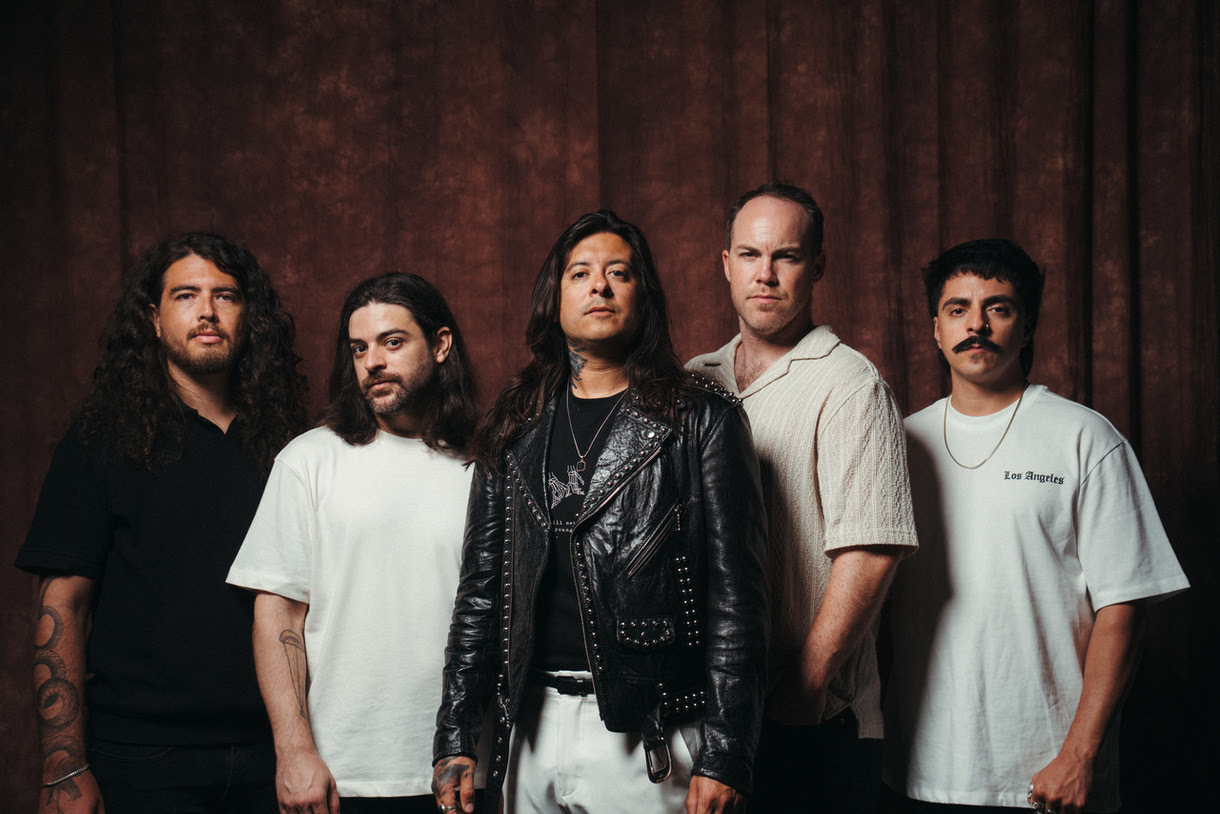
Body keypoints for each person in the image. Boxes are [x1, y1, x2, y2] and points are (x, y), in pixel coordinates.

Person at [432, 210, 768, 814]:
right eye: (580, 273)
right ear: (553, 298)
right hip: (528, 726)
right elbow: (480, 592)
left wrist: (726, 753)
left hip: (648, 731)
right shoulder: (512, 427)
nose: (599, 286)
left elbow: (737, 601)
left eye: (619, 273)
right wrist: (456, 733)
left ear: (644, 297)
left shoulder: (700, 421)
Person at [883, 238, 1190, 813]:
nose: (977, 324)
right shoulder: (898, 444)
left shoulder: (1085, 438)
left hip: (1049, 778)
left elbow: (1124, 608)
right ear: (935, 329)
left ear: (1026, 327)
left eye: (998, 308)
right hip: (919, 773)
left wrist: (1080, 756)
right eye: (958, 309)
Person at [17, 232, 307, 813]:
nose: (206, 311)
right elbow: (63, 604)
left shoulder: (290, 445)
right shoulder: (100, 439)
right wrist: (63, 765)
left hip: (274, 751)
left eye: (225, 295)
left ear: (248, 316)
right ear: (153, 318)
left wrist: (298, 745)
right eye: (185, 295)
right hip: (142, 755)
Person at [687, 181, 919, 811]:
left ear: (817, 266)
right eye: (750, 255)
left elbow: (871, 550)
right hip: (713, 716)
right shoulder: (692, 381)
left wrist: (808, 685)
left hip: (816, 719)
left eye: (786, 256)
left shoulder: (849, 383)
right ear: (726, 264)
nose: (765, 274)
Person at [227, 272, 483, 813]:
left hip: (463, 769)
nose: (372, 362)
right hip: (344, 774)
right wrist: (294, 751)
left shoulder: (488, 464)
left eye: (393, 342)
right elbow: (277, 616)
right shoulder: (309, 460)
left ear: (439, 346)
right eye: (359, 348)